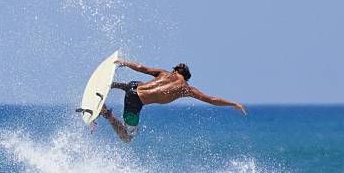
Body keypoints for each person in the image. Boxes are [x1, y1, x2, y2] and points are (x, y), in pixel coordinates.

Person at [100, 59, 246, 142]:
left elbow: (140, 67)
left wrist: (124, 62)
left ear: (175, 71)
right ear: (186, 77)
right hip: (135, 102)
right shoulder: (186, 89)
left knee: (136, 84)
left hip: (132, 86)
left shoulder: (163, 73)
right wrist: (233, 103)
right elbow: (212, 99)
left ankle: (112, 85)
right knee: (127, 138)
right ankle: (107, 113)